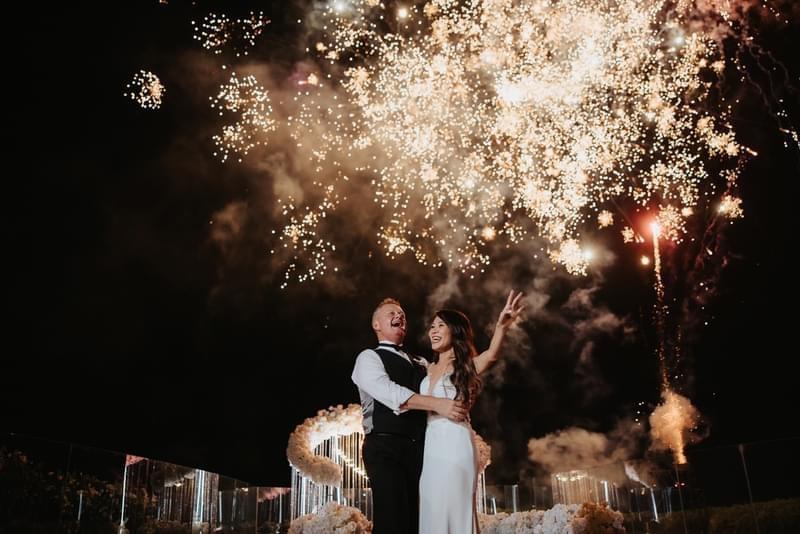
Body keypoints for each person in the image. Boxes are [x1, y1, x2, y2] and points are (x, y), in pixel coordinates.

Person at [351, 298, 468, 534]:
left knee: (419, 521)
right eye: (392, 313)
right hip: (384, 447)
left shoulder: (422, 363)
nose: (400, 316)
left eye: (403, 314)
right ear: (376, 324)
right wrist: (438, 404)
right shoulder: (368, 358)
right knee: (392, 519)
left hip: (422, 449)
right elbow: (390, 392)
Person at [418, 290, 525, 534]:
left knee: (457, 510)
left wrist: (502, 327)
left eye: (440, 326)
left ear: (454, 331)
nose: (432, 331)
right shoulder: (427, 367)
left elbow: (491, 356)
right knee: (432, 507)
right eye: (431, 326)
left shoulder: (466, 366)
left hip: (456, 443)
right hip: (430, 446)